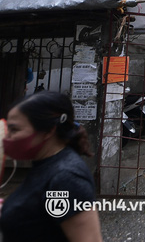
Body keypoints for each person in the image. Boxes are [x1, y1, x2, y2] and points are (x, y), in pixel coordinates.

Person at [0, 91, 102, 242]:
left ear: (49, 130)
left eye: (14, 130)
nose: (7, 138)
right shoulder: (44, 165)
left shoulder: (66, 179)